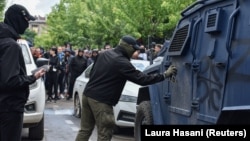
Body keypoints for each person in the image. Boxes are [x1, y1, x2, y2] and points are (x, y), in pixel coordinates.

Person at [75, 35, 177, 141]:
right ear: (127, 46)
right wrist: (164, 75)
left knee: (85, 130)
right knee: (105, 133)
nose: (134, 52)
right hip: (101, 101)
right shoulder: (122, 62)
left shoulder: (104, 54)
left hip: (87, 95)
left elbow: (92, 73)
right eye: (134, 49)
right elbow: (142, 79)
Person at [0, 4, 46, 141]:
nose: (27, 25)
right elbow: (9, 81)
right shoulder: (11, 46)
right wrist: (33, 77)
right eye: (26, 20)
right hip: (9, 108)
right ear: (18, 19)